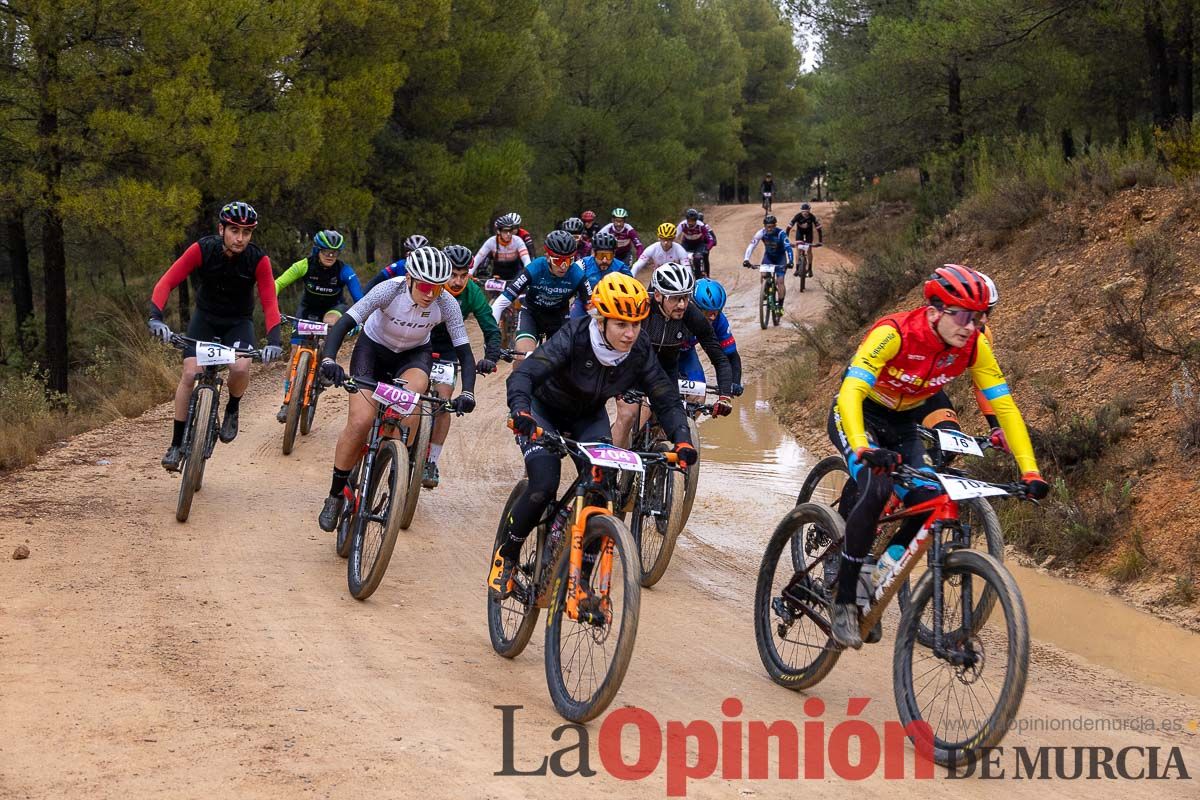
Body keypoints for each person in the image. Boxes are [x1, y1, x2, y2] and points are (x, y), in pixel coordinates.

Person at [825, 264, 1049, 649]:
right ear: (934, 311)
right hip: (861, 414)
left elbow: (1005, 407)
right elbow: (851, 392)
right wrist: (863, 446)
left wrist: (1030, 471)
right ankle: (844, 597)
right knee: (876, 488)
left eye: (978, 318)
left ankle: (878, 573)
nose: (970, 326)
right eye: (962, 316)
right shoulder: (893, 333)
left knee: (931, 501)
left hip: (904, 424)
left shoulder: (974, 346)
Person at [488, 272, 698, 595]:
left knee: (603, 488)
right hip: (544, 411)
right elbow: (524, 376)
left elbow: (664, 396)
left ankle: (581, 579)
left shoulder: (639, 348)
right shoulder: (574, 336)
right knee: (544, 484)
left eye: (637, 324)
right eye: (621, 325)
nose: (631, 334)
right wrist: (521, 412)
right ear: (601, 321)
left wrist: (682, 438)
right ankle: (507, 556)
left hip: (588, 417)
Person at [315, 247, 477, 531]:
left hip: (413, 356)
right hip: (372, 351)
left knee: (410, 409)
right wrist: (328, 359)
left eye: (437, 288)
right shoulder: (388, 290)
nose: (430, 294)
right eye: (425, 286)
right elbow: (344, 324)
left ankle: (396, 470)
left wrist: (468, 392)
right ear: (410, 279)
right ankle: (334, 495)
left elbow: (465, 352)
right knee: (361, 421)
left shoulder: (447, 304)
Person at [148, 201, 283, 471]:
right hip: (205, 319)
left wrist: (275, 341)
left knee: (242, 366)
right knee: (189, 375)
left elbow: (270, 303)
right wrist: (156, 317)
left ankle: (232, 407)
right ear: (221, 229)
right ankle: (176, 444)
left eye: (247, 232)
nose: (240, 238)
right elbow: (167, 282)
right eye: (234, 230)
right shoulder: (203, 249)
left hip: (238, 322)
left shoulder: (258, 259)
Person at [611, 262, 734, 448]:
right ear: (658, 295)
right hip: (633, 366)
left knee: (674, 422)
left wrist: (725, 396)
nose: (682, 304)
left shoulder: (691, 314)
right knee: (629, 416)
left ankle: (658, 458)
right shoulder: (641, 308)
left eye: (685, 297)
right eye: (675, 298)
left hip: (666, 371)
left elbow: (719, 357)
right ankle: (609, 473)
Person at [423, 244, 503, 488]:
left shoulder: (473, 293)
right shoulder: (430, 285)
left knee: (444, 402)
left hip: (448, 347)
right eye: (452, 275)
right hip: (418, 341)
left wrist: (490, 356)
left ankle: (431, 462)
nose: (458, 282)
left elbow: (491, 328)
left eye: (463, 275)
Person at [272, 229, 365, 422]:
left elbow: (361, 299)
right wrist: (271, 307)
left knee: (330, 322)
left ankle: (324, 365)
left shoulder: (343, 270)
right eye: (325, 251)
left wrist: (361, 319)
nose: (330, 255)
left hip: (334, 308)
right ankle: (287, 400)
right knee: (295, 352)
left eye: (334, 252)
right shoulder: (304, 265)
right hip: (308, 309)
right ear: (317, 250)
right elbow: (277, 284)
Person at [492, 230, 591, 358]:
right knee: (523, 357)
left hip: (559, 317)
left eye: (569, 260)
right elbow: (500, 303)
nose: (564, 266)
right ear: (548, 256)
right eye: (558, 261)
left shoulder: (577, 274)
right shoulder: (535, 268)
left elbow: (593, 309)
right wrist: (492, 340)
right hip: (532, 314)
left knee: (562, 361)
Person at [678, 278, 742, 395]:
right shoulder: (679, 314)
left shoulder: (719, 321)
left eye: (716, 312)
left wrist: (734, 383)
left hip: (686, 354)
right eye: (707, 313)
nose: (712, 317)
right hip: (662, 353)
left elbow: (731, 356)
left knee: (698, 393)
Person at [570, 230, 630, 318]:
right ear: (593, 253)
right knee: (573, 324)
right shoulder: (582, 265)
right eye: (601, 255)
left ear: (614, 254)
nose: (604, 260)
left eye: (609, 256)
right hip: (584, 302)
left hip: (610, 303)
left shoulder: (621, 268)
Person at [742, 214, 794, 307]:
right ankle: (766, 290)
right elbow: (752, 245)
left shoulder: (781, 234)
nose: (769, 229)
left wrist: (790, 261)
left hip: (780, 258)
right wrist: (746, 259)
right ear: (764, 226)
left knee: (780, 281)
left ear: (775, 225)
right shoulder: (761, 233)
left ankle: (780, 305)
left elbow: (788, 248)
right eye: (767, 227)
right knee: (763, 274)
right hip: (769, 257)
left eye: (772, 227)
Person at [471, 213, 532, 292]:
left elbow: (526, 260)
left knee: (518, 297)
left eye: (510, 231)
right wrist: (469, 273)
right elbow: (477, 259)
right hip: (498, 275)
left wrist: (530, 272)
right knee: (494, 299)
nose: (508, 234)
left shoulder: (518, 241)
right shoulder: (491, 242)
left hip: (515, 274)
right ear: (499, 231)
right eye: (505, 231)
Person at [675, 208, 717, 278]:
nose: (691, 222)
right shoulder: (682, 225)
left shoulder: (701, 225)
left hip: (699, 244)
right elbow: (674, 236)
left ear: (696, 220)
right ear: (686, 219)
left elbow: (711, 239)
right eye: (689, 220)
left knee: (697, 258)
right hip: (686, 243)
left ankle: (698, 277)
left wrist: (707, 248)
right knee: (680, 258)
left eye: (693, 220)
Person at [785, 203, 823, 278]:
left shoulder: (812, 217)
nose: (805, 213)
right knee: (798, 249)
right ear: (801, 211)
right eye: (803, 211)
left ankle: (810, 269)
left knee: (809, 250)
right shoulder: (797, 216)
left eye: (807, 211)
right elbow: (788, 228)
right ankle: (797, 268)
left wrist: (820, 241)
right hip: (800, 233)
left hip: (809, 233)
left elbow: (819, 229)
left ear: (809, 211)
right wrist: (786, 240)